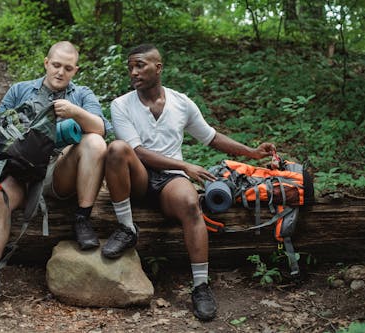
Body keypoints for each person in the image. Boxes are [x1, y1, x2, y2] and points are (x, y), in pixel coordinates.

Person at [101, 44, 276, 321]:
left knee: (191, 204)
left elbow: (212, 137)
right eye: (130, 67)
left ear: (158, 68)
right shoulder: (121, 104)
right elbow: (136, 152)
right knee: (116, 149)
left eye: (140, 65)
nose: (133, 72)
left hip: (170, 180)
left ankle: (201, 285)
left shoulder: (181, 102)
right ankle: (126, 228)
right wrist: (185, 165)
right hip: (139, 176)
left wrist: (252, 153)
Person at [0, 41, 111, 310]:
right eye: (55, 65)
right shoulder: (20, 90)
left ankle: (82, 219)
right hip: (19, 170)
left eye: (67, 68)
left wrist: (74, 112)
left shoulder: (82, 95)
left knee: (96, 143)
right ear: (45, 63)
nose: (60, 72)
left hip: (58, 171)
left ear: (75, 70)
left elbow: (100, 128)